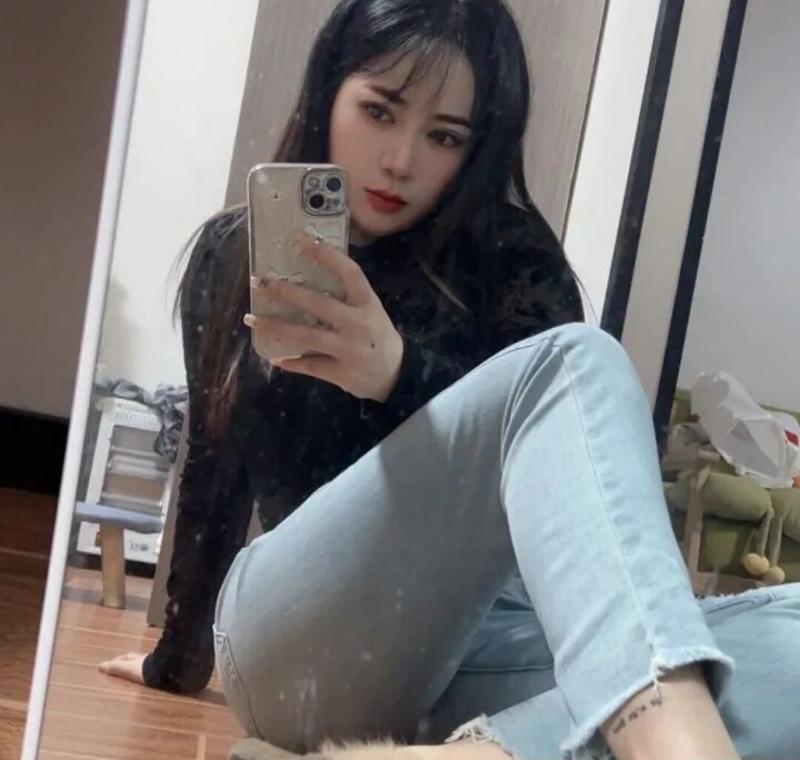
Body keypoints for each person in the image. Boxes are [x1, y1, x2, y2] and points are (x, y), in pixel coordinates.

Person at [98, 2, 800, 759]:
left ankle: (478, 752)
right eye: (379, 111)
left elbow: (552, 484)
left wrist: (396, 374)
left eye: (444, 136)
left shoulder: (513, 259)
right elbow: (215, 466)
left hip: (489, 653)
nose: (401, 160)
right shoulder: (231, 256)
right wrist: (177, 659)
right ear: (329, 91)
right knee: (577, 360)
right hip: (309, 645)